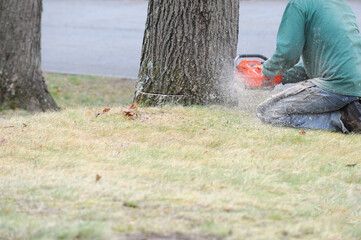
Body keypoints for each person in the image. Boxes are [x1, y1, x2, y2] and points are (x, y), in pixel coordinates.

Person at [256, 0, 361, 133]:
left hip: (337, 86)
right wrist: (281, 76)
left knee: (268, 112)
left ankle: (345, 120)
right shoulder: (341, 3)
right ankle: (352, 108)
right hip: (356, 86)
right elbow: (319, 64)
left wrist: (266, 71)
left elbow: (288, 54)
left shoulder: (299, 4)